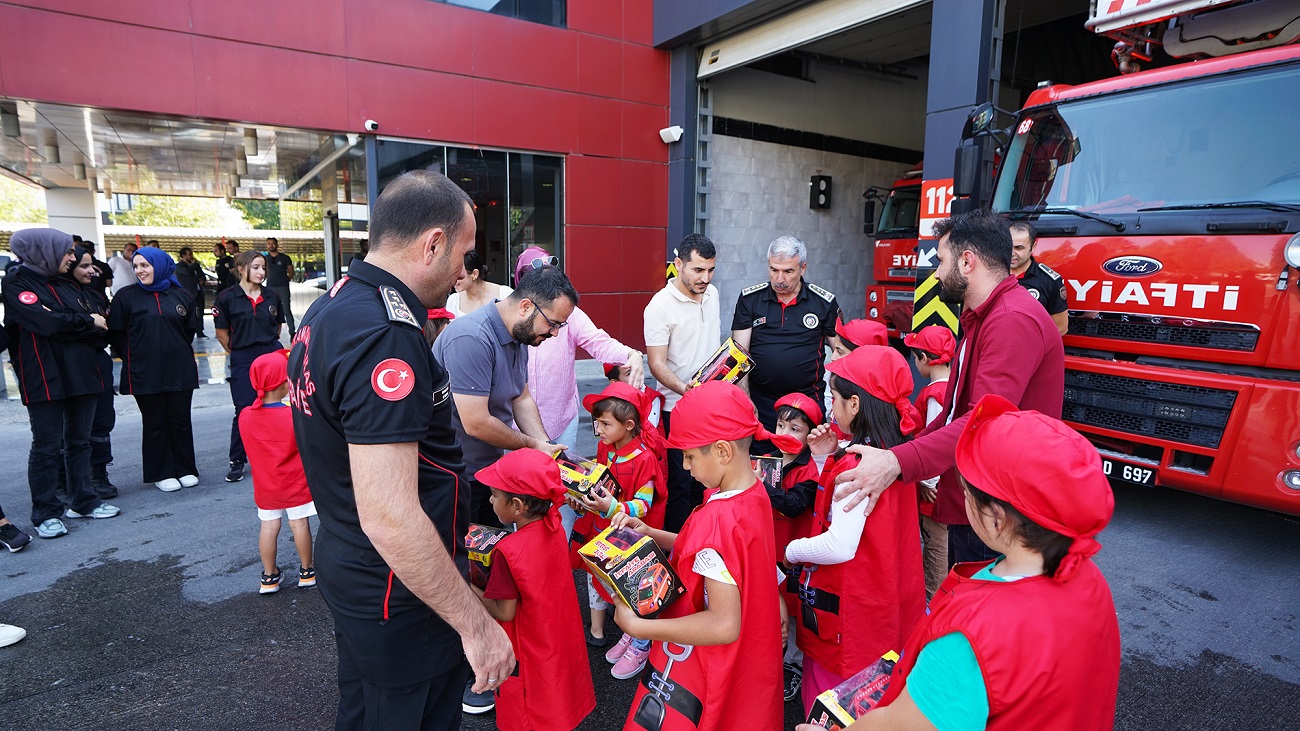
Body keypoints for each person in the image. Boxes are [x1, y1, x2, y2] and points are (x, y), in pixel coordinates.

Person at [288, 170, 514, 730]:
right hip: (399, 592)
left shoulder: (335, 304)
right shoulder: (384, 333)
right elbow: (390, 514)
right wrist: (476, 626)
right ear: (431, 243)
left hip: (362, 572)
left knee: (364, 713)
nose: (465, 274)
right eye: (462, 255)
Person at [797, 394, 1121, 731]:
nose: (961, 497)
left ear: (997, 519)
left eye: (966, 491)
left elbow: (900, 725)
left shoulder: (970, 635)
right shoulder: (1087, 576)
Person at [830, 209, 1065, 566]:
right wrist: (903, 454)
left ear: (967, 261)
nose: (937, 272)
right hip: (982, 504)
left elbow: (981, 425)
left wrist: (895, 462)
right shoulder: (987, 316)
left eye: (941, 261)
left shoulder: (1010, 320)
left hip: (1000, 513)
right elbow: (955, 413)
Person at [610, 381, 792, 731]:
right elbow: (718, 554)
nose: (686, 466)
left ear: (723, 451)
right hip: (752, 658)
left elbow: (724, 624)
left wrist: (641, 627)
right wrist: (651, 533)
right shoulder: (753, 492)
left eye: (690, 456)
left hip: (710, 665)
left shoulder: (717, 519)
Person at [785, 346, 925, 712]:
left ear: (856, 405)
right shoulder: (896, 456)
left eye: (834, 397)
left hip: (850, 614)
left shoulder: (857, 466)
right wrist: (825, 456)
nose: (830, 407)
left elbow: (840, 545)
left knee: (834, 704)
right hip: (887, 602)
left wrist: (792, 550)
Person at [432, 266, 576, 529]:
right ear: (525, 306)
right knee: (466, 557)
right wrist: (532, 445)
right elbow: (475, 422)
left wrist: (546, 446)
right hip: (458, 474)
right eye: (553, 324)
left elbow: (520, 397)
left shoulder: (519, 336)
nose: (554, 334)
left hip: (491, 469)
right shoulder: (471, 338)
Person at [3, 229, 121, 538]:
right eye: (68, 252)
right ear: (45, 251)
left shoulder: (67, 284)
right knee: (46, 446)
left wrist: (71, 321)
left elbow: (99, 325)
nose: (72, 258)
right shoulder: (16, 282)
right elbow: (46, 323)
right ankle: (45, 512)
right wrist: (81, 321)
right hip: (43, 376)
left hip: (82, 373)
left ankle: (83, 500)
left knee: (79, 441)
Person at [472, 449, 597, 731]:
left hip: (526, 648)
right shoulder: (553, 527)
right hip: (555, 637)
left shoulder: (508, 551)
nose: (490, 500)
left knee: (528, 713)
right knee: (557, 700)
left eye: (493, 495)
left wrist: (467, 588)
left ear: (517, 505)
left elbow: (504, 610)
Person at [568, 382, 666, 678]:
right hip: (604, 532)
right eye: (597, 422)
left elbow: (643, 505)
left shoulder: (644, 458)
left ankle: (640, 642)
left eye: (605, 423)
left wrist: (611, 506)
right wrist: (583, 499)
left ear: (630, 425)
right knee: (613, 588)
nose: (598, 429)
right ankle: (628, 633)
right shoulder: (606, 450)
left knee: (632, 589)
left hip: (630, 538)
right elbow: (598, 483)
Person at [515, 246, 644, 451]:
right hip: (517, 426)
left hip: (561, 420)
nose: (554, 330)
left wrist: (631, 354)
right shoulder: (513, 317)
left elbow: (598, 342)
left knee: (564, 479)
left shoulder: (570, 315)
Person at [107, 246, 202, 492]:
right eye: (136, 266)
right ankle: (162, 472)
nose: (139, 270)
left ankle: (185, 468)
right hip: (144, 371)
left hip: (179, 369)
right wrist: (138, 354)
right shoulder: (125, 297)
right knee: (155, 422)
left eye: (145, 265)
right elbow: (117, 336)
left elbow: (188, 331)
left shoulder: (182, 296)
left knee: (180, 420)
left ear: (159, 266)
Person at [643, 234, 721, 533]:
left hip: (712, 404)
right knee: (682, 485)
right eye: (698, 270)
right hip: (678, 409)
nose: (705, 278)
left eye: (711, 270)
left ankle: (706, 541)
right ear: (678, 264)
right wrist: (686, 389)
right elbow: (656, 364)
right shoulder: (659, 306)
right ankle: (678, 553)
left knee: (711, 482)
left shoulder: (712, 294)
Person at [732, 235, 840, 431]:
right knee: (762, 459)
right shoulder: (750, 299)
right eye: (774, 270)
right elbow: (739, 355)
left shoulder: (823, 303)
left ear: (803, 268)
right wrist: (745, 400)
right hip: (761, 400)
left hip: (808, 399)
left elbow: (841, 354)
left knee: (806, 459)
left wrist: (838, 402)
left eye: (788, 271)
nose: (780, 279)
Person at [757, 392, 823, 703]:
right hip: (768, 543)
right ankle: (769, 655)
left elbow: (795, 505)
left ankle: (793, 663)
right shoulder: (767, 458)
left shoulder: (811, 470)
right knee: (768, 602)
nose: (784, 433)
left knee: (794, 610)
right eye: (781, 425)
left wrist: (761, 486)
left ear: (811, 435)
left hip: (795, 551)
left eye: (795, 429)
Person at [239, 350, 315, 595]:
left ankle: (269, 576)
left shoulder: (245, 416)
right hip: (294, 483)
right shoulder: (293, 415)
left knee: (269, 527)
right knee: (299, 524)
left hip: (266, 485)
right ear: (285, 385)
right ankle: (307, 571)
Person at [213, 250, 286, 483]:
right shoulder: (226, 297)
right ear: (241, 269)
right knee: (245, 409)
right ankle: (237, 459)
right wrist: (239, 355)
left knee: (273, 405)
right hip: (243, 358)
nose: (261, 272)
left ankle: (274, 457)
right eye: (256, 267)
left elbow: (277, 327)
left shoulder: (272, 295)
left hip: (270, 355)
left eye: (263, 267)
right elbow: (221, 334)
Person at [904, 325, 956, 600]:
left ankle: (934, 596)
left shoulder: (935, 393)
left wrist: (927, 481)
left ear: (923, 358)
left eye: (915, 356)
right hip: (948, 481)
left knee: (936, 541)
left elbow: (938, 437)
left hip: (936, 484)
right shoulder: (954, 388)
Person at [66, 246, 118, 499]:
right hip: (71, 365)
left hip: (99, 362)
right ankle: (67, 479)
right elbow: (62, 328)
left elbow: (106, 329)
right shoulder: (58, 295)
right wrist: (89, 324)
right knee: (73, 424)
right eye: (84, 266)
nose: (92, 270)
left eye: (92, 265)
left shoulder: (95, 295)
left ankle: (99, 474)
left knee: (101, 421)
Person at [1009, 221, 1069, 336]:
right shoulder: (992, 273)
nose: (1011, 253)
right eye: (1008, 246)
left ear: (1033, 247)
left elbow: (1061, 327)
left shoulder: (1049, 281)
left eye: (1019, 248)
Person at [445, 249, 512, 319]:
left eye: (459, 276)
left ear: (474, 274)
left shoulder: (504, 294)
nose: (453, 280)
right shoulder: (454, 301)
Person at [264, 237, 297, 339]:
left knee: (286, 310)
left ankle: (292, 332)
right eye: (269, 244)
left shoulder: (285, 257)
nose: (271, 246)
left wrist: (286, 279)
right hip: (270, 287)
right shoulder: (265, 259)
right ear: (266, 245)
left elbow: (291, 272)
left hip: (283, 286)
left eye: (273, 243)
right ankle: (273, 332)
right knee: (270, 310)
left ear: (277, 245)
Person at [174, 247, 207, 339]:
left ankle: (200, 331)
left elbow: (202, 275)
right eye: (189, 254)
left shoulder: (195, 266)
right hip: (188, 293)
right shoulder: (180, 266)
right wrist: (194, 265)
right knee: (189, 313)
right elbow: (187, 272)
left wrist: (202, 281)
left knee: (200, 312)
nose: (191, 256)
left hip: (198, 292)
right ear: (183, 256)